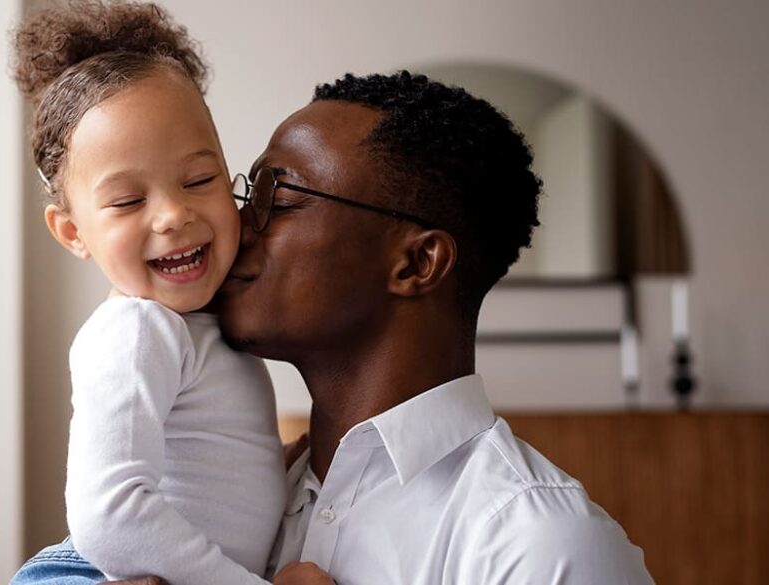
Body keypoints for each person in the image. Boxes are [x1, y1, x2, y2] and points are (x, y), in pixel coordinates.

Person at [217, 71, 655, 584]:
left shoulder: (543, 545)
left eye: (280, 197)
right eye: (250, 195)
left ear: (416, 263)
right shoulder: (240, 497)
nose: (233, 226)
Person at [8, 2, 322, 584]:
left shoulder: (206, 325)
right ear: (73, 231)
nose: (174, 214)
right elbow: (109, 515)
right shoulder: (136, 329)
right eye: (128, 201)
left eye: (199, 180)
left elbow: (203, 475)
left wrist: (283, 474)